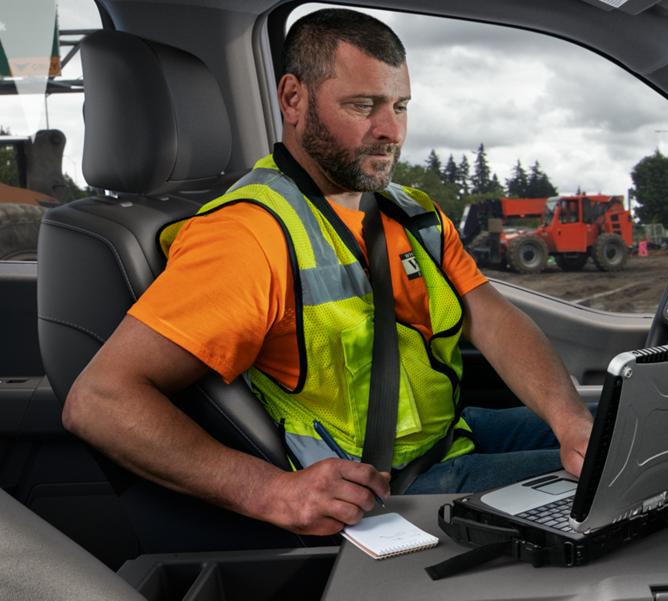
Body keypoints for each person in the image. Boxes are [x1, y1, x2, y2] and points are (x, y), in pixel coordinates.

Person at [62, 8, 593, 537]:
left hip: (450, 437)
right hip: (391, 495)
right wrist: (267, 490)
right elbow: (100, 400)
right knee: (625, 486)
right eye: (363, 105)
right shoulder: (249, 234)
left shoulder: (412, 213)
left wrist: (569, 420)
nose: (390, 131)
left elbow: (494, 319)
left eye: (400, 106)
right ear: (293, 99)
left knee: (629, 440)